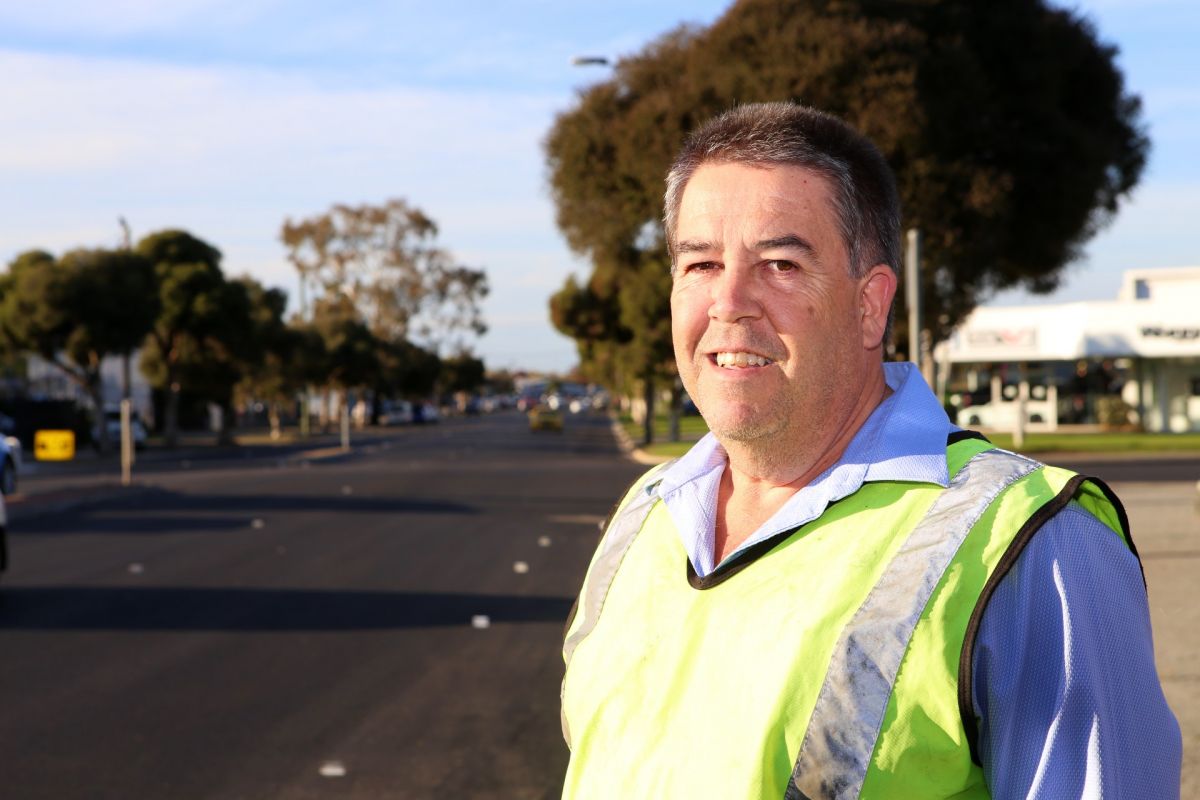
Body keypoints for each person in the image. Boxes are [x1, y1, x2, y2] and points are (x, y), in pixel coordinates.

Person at [559, 103, 1180, 799]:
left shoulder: (1034, 545)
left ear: (869, 304)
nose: (729, 301)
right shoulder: (643, 518)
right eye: (700, 263)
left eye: (781, 263)